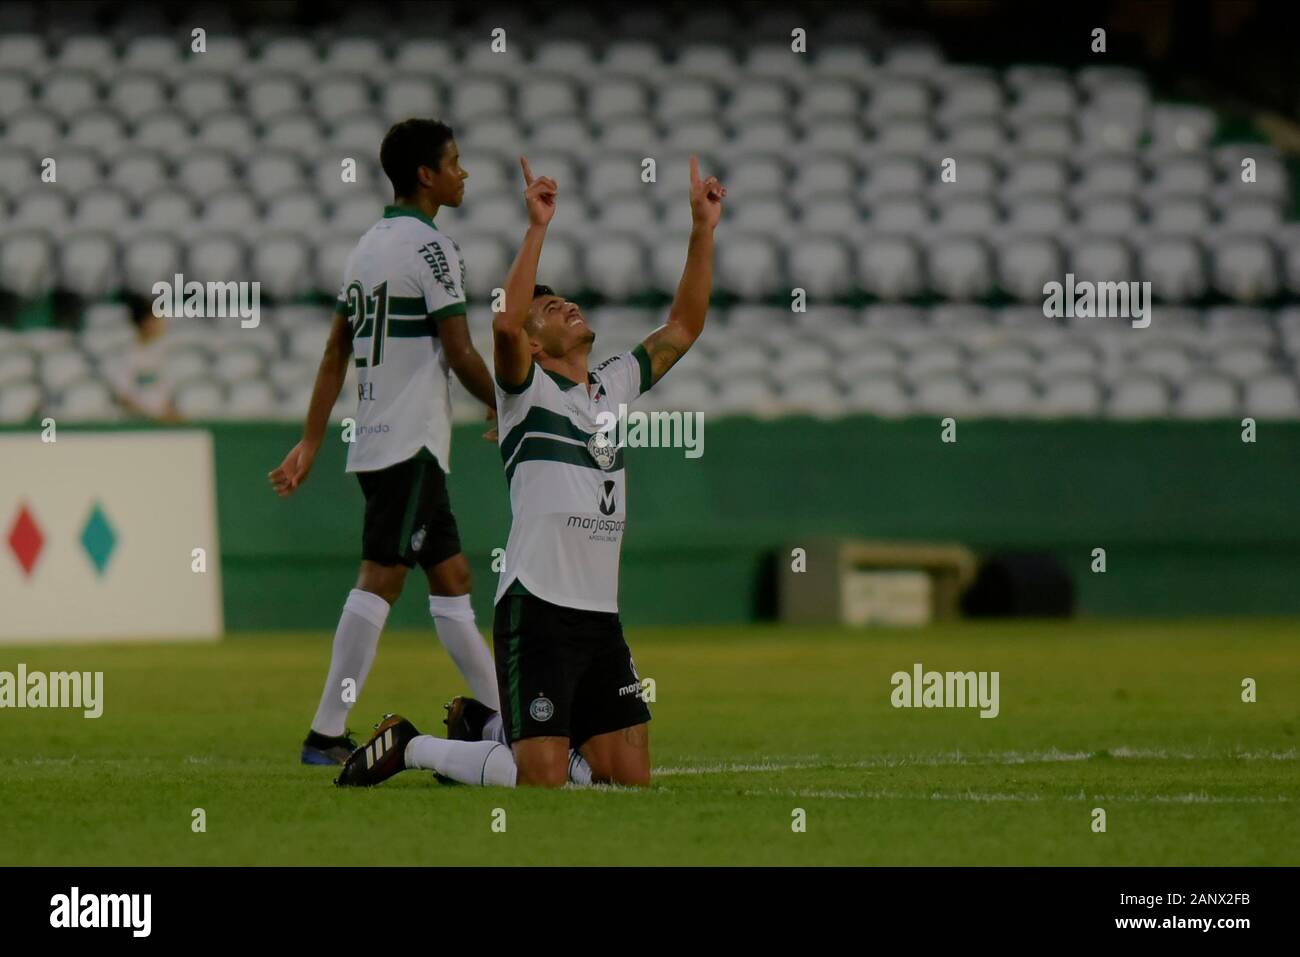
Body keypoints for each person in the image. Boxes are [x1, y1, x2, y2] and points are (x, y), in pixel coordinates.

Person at [336, 154, 726, 788]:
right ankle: (412, 746)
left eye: (565, 300)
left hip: (600, 615)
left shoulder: (614, 387)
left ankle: (487, 727)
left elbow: (683, 325)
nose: (566, 305)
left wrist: (702, 228)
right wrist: (537, 227)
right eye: (550, 310)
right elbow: (503, 323)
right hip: (537, 609)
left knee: (629, 780)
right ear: (536, 344)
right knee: (540, 779)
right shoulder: (525, 395)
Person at [269, 119, 500, 765]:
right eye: (455, 162)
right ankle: (324, 732)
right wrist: (506, 404)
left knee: (452, 576)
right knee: (380, 580)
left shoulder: (367, 246)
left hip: (377, 441)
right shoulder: (433, 250)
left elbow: (335, 348)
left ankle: (504, 722)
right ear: (426, 174)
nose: (464, 173)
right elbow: (458, 349)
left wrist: (313, 439)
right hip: (410, 442)